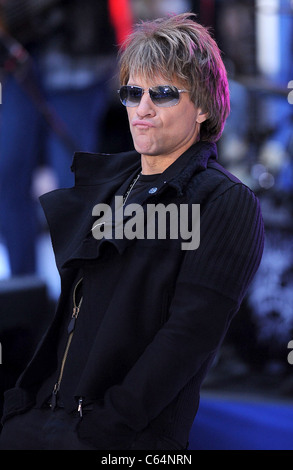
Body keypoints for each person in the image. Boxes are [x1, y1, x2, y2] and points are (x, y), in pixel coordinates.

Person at [0, 13, 264, 450]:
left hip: (112, 437)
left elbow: (189, 337)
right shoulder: (108, 184)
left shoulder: (224, 201)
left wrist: (106, 427)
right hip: (40, 417)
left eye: (162, 94)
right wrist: (22, 404)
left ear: (202, 106)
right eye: (132, 92)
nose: (142, 108)